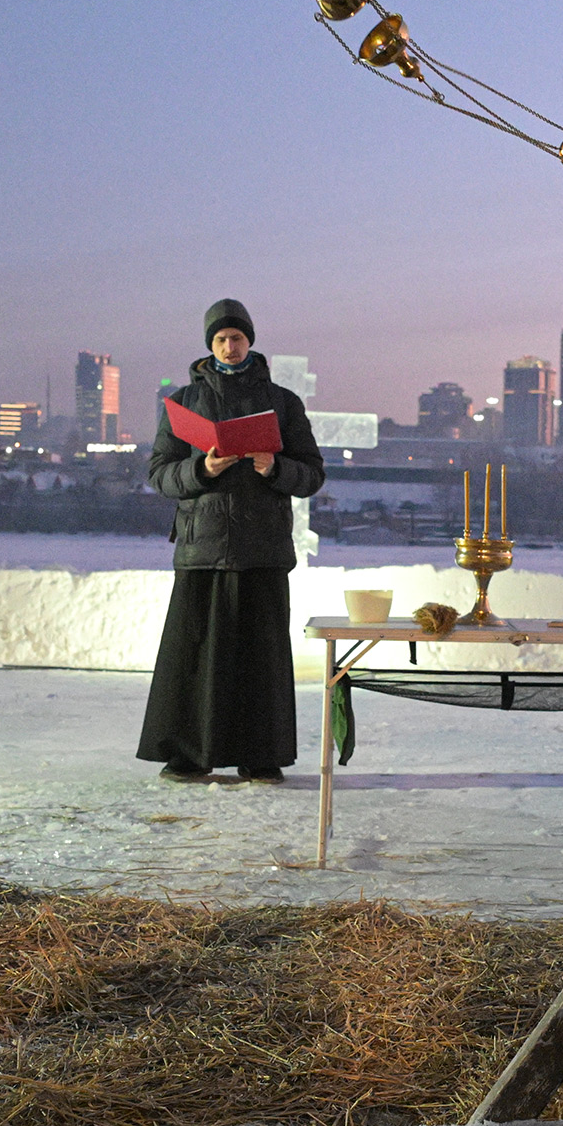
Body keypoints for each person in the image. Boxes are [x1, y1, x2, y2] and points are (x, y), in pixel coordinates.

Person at [138, 297, 325, 783]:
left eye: (237, 337)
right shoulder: (183, 402)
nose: (230, 345)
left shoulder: (283, 402)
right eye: (221, 338)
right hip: (202, 549)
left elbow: (312, 475)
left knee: (259, 659)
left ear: (250, 341)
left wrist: (275, 467)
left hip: (262, 549)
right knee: (196, 658)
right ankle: (188, 754)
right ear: (209, 345)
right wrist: (202, 467)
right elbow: (160, 475)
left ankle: (260, 757)